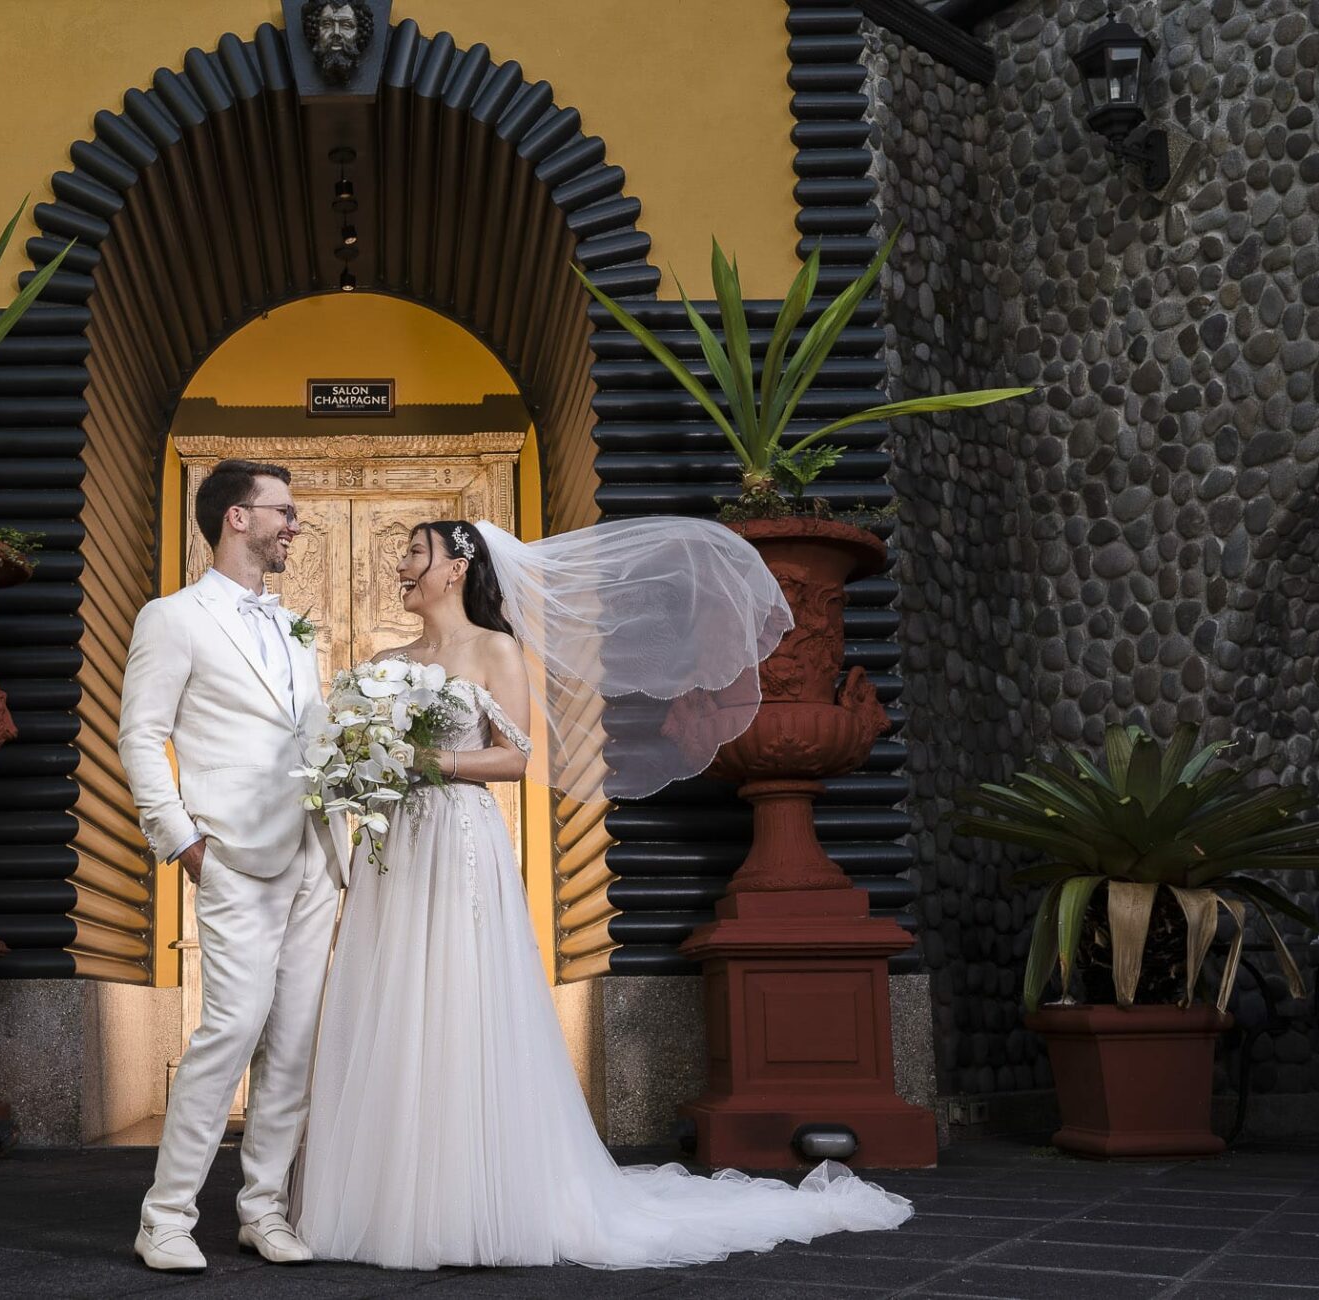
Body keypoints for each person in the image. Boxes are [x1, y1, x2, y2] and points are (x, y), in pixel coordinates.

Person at [295, 518, 913, 1269]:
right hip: (395, 845)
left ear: (456, 568)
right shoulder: (383, 663)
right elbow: (361, 753)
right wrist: (366, 763)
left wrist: (427, 758)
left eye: (416, 553)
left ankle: (476, 1195)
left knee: (460, 994)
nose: (402, 565)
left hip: (457, 839)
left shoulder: (495, 651)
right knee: (391, 994)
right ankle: (384, 1195)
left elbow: (512, 759)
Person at [118, 459, 346, 1273]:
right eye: (283, 510)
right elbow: (141, 735)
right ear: (236, 519)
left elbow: (307, 732)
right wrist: (180, 840)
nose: (294, 524)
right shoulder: (170, 617)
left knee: (292, 1040)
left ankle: (263, 1210)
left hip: (315, 851)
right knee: (231, 1028)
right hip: (232, 854)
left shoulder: (291, 625)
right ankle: (166, 1217)